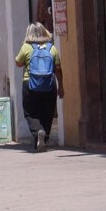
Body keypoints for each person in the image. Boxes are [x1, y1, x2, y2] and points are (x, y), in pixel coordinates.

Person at [15, 22, 64, 152]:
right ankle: (44, 137)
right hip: (49, 84)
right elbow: (58, 69)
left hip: (30, 84)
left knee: (30, 112)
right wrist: (61, 86)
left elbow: (18, 63)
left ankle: (38, 133)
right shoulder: (51, 48)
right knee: (47, 112)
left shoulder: (26, 47)